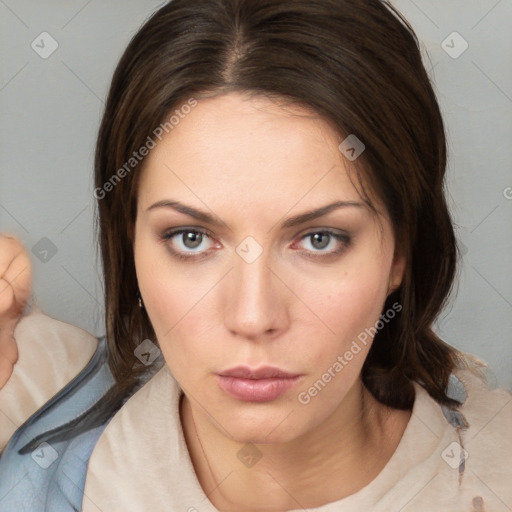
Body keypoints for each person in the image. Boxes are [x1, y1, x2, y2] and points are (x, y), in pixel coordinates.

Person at [1, 0, 511, 510]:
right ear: (129, 241)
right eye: (191, 238)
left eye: (319, 239)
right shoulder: (34, 416)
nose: (253, 316)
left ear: (399, 251)